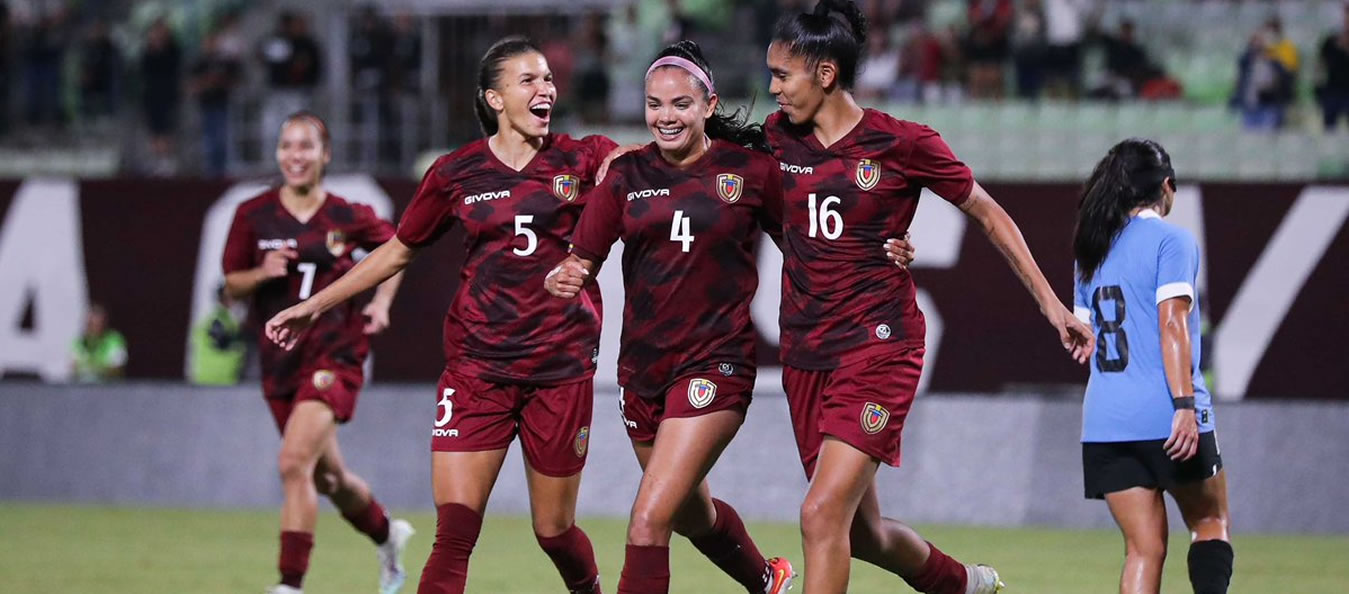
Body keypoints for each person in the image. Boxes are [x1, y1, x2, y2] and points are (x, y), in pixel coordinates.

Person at [763, 1, 1094, 592]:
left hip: (878, 347)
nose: (773, 88)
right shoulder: (774, 141)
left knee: (819, 515)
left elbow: (988, 214)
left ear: (825, 73)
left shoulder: (901, 143)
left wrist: (1052, 304)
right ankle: (963, 583)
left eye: (782, 74)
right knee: (858, 532)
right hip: (805, 352)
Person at [265, 38, 617, 594]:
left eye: (547, 78)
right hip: (476, 370)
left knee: (553, 530)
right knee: (453, 533)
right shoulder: (456, 172)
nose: (544, 88)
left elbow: (646, 170)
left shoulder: (586, 156)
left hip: (560, 367)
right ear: (494, 98)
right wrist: (314, 305)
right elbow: (397, 250)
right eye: (527, 80)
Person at [545, 40, 798, 594]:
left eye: (680, 104)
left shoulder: (752, 172)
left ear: (708, 105)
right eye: (655, 104)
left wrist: (881, 253)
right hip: (641, 372)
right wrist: (565, 275)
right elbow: (580, 260)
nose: (666, 116)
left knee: (647, 520)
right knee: (690, 516)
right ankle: (767, 580)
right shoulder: (624, 175)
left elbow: (808, 250)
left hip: (716, 363)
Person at [222, 111, 413, 594]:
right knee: (328, 480)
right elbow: (231, 282)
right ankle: (388, 534)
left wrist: (382, 303)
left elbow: (397, 249)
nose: (295, 156)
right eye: (287, 146)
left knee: (292, 464)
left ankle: (290, 585)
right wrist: (261, 273)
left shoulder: (346, 215)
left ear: (325, 155)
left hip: (336, 353)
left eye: (306, 147)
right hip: (279, 362)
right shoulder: (253, 214)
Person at [1072, 139, 1232, 594]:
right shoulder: (1172, 240)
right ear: (1166, 186)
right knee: (1210, 521)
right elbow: (1172, 325)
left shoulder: (1091, 248)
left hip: (1105, 422)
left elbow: (1084, 336)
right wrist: (1183, 404)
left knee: (1143, 549)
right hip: (1166, 413)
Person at [189, 283, 246, 386]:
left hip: (226, 378)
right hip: (212, 379)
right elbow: (221, 341)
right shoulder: (217, 318)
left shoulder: (228, 319)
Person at [70, 303, 127, 383]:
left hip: (109, 388)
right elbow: (74, 368)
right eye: (89, 324)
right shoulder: (79, 342)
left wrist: (91, 369)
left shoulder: (114, 340)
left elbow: (117, 369)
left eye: (95, 325)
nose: (91, 329)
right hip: (84, 388)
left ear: (104, 324)